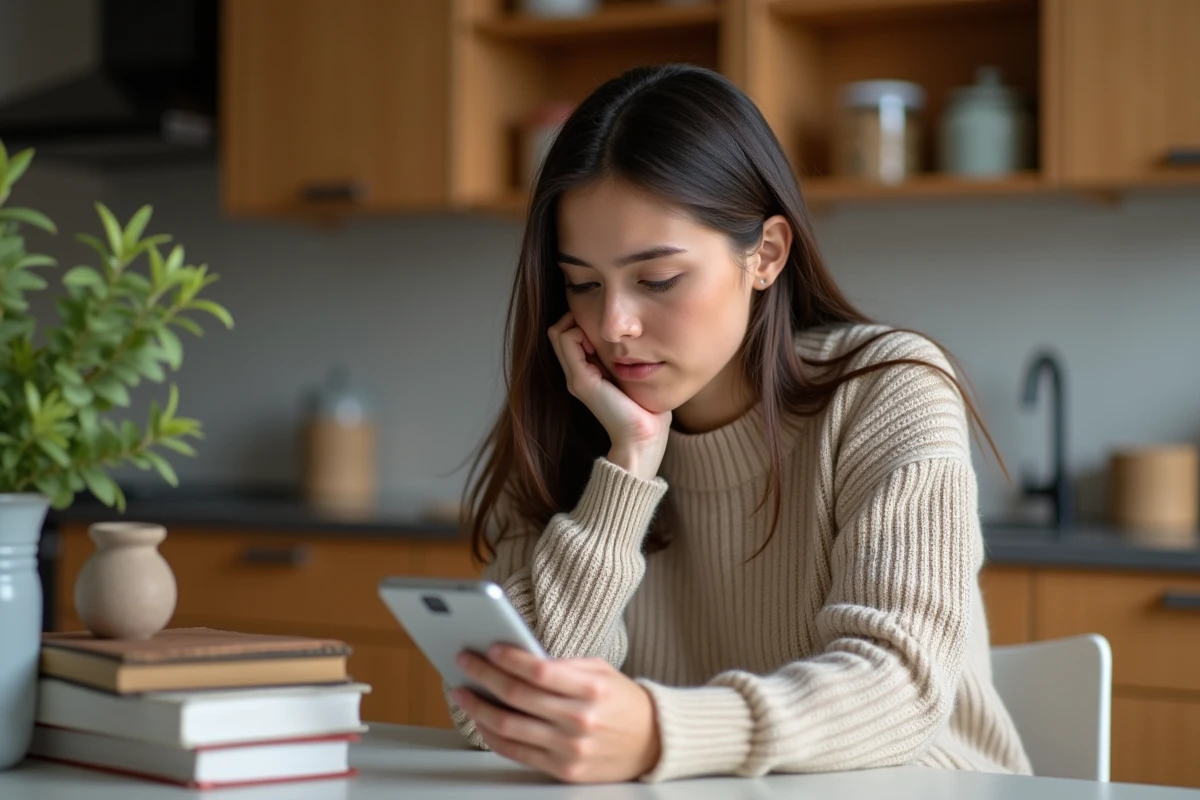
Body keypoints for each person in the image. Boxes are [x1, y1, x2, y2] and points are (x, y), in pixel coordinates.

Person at [445, 63, 1032, 784]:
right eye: (583, 283)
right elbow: (492, 718)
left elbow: (899, 685)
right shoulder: (572, 414)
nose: (613, 325)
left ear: (766, 254)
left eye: (657, 279)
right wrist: (626, 468)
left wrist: (663, 735)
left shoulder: (889, 390)